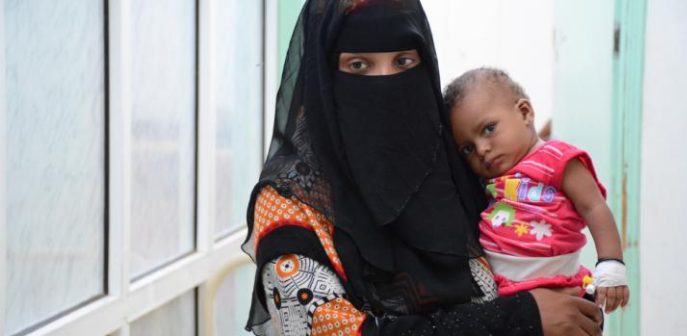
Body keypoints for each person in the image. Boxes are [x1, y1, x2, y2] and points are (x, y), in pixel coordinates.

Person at [242, 1, 603, 335]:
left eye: (403, 62)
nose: (385, 82)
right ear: (323, 78)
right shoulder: (290, 204)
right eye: (358, 65)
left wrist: (574, 307)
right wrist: (520, 319)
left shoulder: (457, 169)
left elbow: (534, 258)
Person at [444, 67, 629, 314]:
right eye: (467, 149)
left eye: (488, 129)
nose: (481, 149)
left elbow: (594, 206)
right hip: (501, 291)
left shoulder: (557, 159)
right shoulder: (488, 180)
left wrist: (611, 265)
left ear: (524, 112)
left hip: (556, 284)